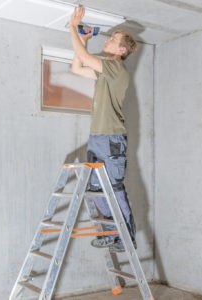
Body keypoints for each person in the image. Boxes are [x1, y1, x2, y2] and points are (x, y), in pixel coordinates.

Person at [68, 6, 138, 252]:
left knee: (115, 188)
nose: (107, 40)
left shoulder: (116, 69)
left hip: (111, 138)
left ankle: (127, 235)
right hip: (98, 138)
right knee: (97, 189)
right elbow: (77, 68)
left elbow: (85, 61)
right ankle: (111, 232)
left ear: (121, 50)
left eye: (113, 39)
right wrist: (83, 41)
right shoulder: (105, 74)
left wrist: (73, 28)